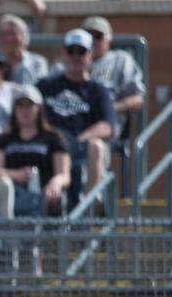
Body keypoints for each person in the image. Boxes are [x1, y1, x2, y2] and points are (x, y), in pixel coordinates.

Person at [37, 29, 116, 199]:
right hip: (49, 144)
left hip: (80, 145)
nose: (76, 56)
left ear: (91, 55)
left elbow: (107, 126)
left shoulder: (98, 90)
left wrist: (78, 139)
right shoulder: (46, 85)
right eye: (71, 51)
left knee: (97, 146)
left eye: (81, 51)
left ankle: (90, 204)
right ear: (63, 54)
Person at [0, 85, 70, 217]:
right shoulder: (5, 139)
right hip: (12, 194)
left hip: (45, 194)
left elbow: (64, 174)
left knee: (55, 197)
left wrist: (55, 183)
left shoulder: (53, 138)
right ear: (14, 110)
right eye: (20, 106)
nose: (25, 111)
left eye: (29, 105)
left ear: (39, 108)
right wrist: (16, 175)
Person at [81, 16, 145, 135]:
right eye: (88, 36)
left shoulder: (120, 60)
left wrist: (109, 108)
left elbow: (138, 99)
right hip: (73, 118)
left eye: (98, 36)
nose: (93, 41)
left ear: (109, 41)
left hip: (105, 123)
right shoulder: (71, 61)